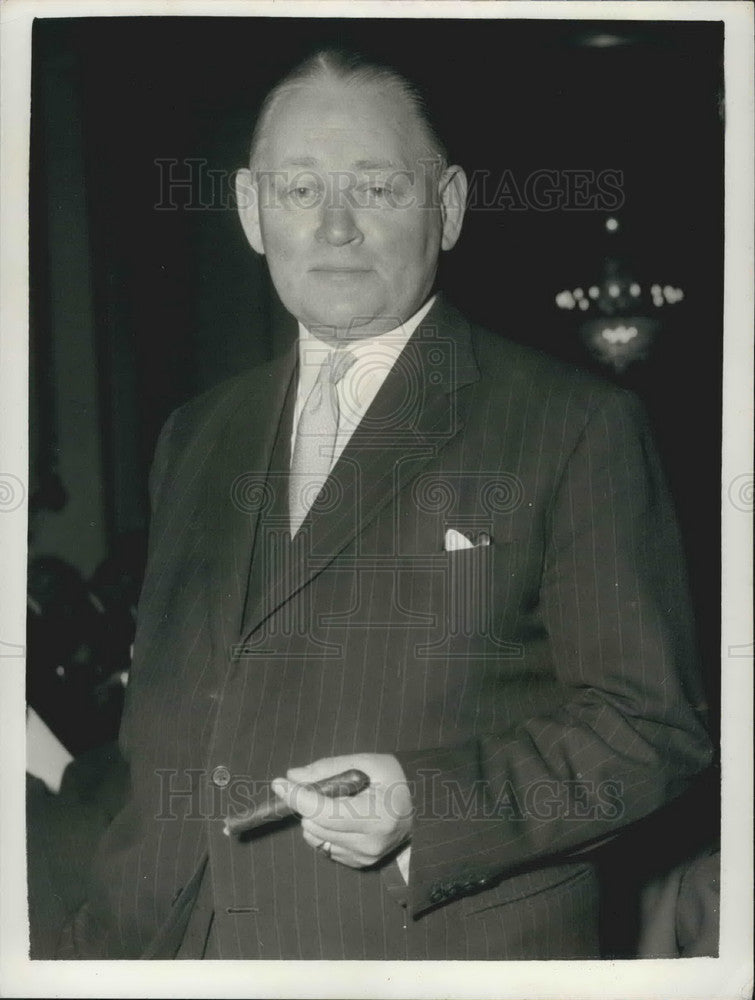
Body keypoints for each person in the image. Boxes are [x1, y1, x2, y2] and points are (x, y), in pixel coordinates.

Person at [60, 49, 713, 960]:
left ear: (445, 205)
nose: (333, 228)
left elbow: (653, 726)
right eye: (297, 191)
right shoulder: (196, 434)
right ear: (251, 212)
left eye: (374, 188)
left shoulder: (575, 424)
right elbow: (165, 728)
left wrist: (431, 802)